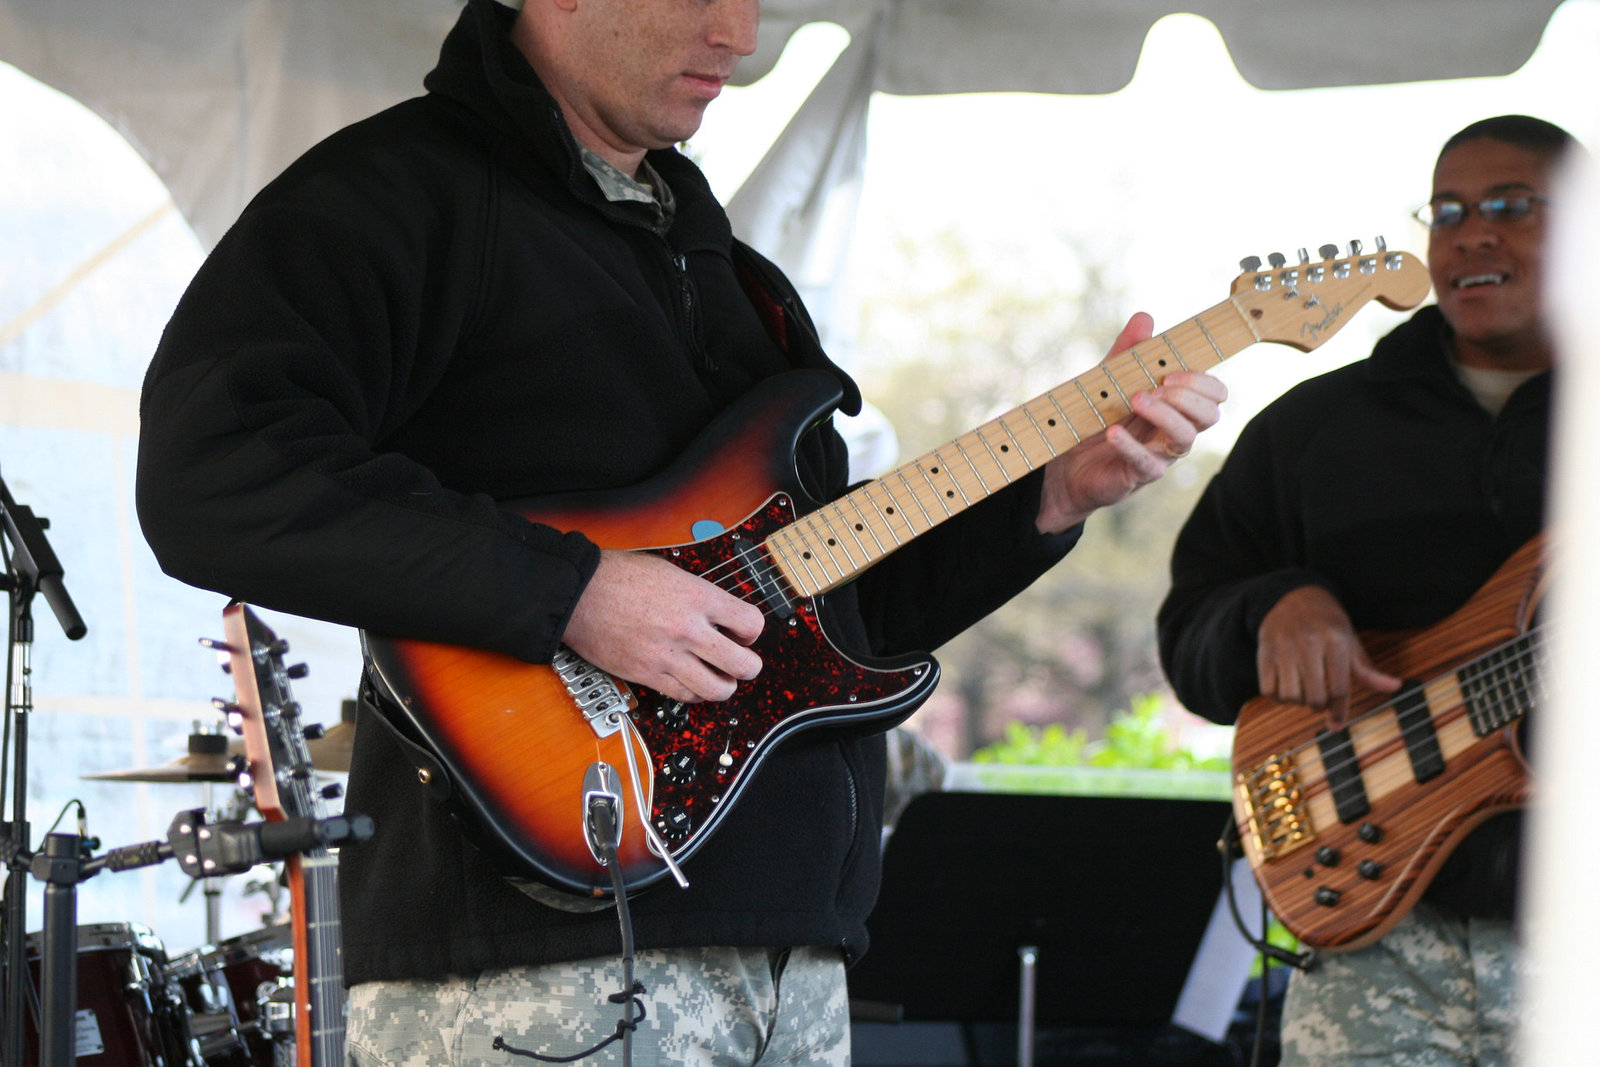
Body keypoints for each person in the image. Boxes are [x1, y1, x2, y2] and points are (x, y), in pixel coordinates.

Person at [135, 0, 1225, 1063]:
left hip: (788, 960)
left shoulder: (728, 274)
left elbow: (831, 623)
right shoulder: (390, 196)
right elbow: (213, 473)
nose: (741, 35)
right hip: (532, 969)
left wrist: (1053, 491)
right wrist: (573, 591)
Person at [1157, 114, 1579, 1067]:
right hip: (1377, 940)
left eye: (1512, 205)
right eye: (1449, 210)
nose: (1473, 232)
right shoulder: (1312, 429)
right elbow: (1188, 631)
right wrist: (1273, 604)